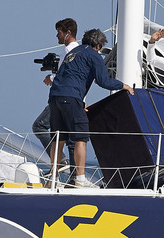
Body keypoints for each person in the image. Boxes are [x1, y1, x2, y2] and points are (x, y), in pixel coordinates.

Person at [45, 24, 133, 187]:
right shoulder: (93, 55)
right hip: (71, 98)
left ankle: (53, 179)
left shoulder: (73, 53)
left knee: (59, 138)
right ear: (98, 45)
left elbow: (69, 76)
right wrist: (124, 86)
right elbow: (103, 81)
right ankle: (80, 179)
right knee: (81, 137)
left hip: (55, 97)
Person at [33, 18, 83, 165]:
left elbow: (65, 74)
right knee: (70, 139)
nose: (57, 36)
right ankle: (74, 176)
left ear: (67, 33)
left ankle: (59, 160)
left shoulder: (68, 50)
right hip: (76, 99)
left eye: (59, 32)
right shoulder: (80, 51)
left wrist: (51, 77)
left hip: (63, 98)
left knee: (39, 126)